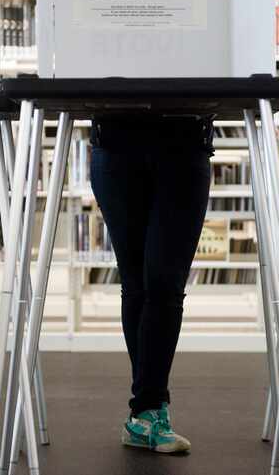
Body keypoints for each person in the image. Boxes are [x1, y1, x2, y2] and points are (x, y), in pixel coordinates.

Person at [89, 112, 214, 454]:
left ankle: (146, 411)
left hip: (184, 143)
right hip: (116, 145)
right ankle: (146, 413)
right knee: (137, 284)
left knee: (164, 283)